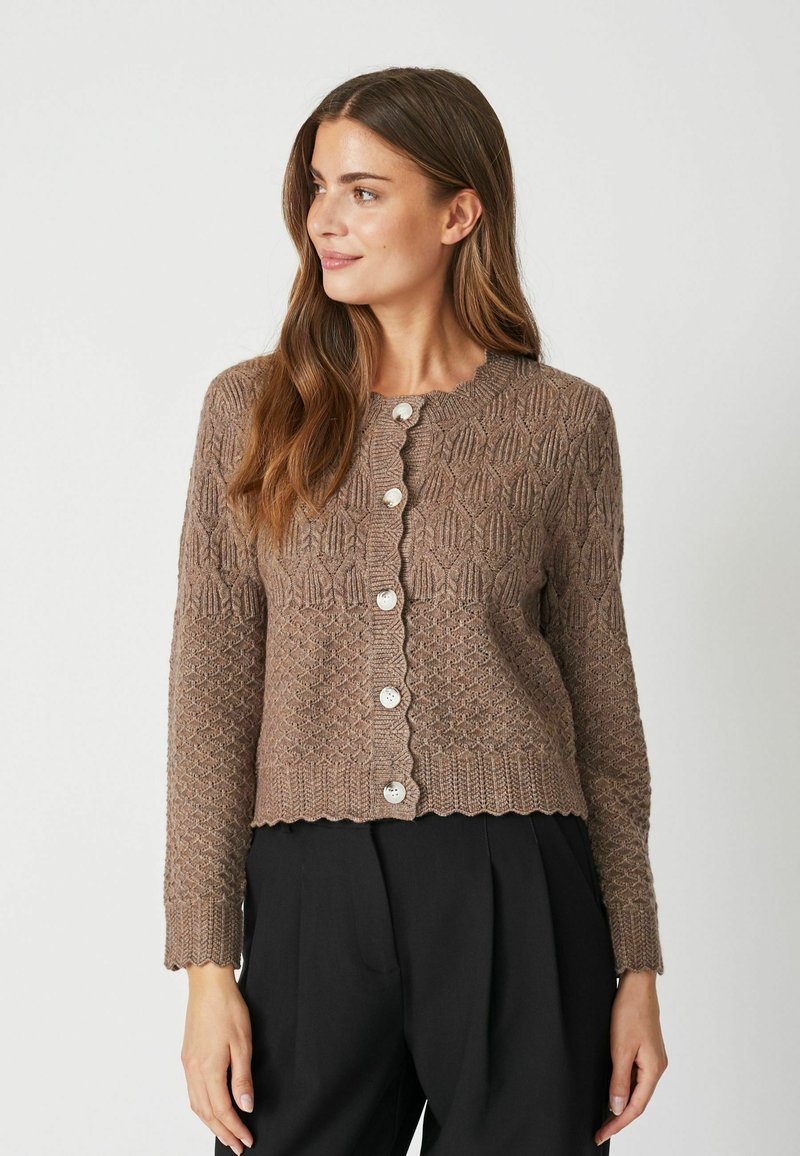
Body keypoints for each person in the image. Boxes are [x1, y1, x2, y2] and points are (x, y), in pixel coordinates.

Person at [162, 66, 668, 1156]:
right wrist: (205, 964)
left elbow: (603, 709)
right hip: (309, 894)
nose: (324, 221)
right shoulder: (250, 411)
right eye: (317, 188)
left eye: (363, 191)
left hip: (519, 887)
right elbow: (210, 697)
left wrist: (635, 962)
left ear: (457, 213)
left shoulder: (562, 422)